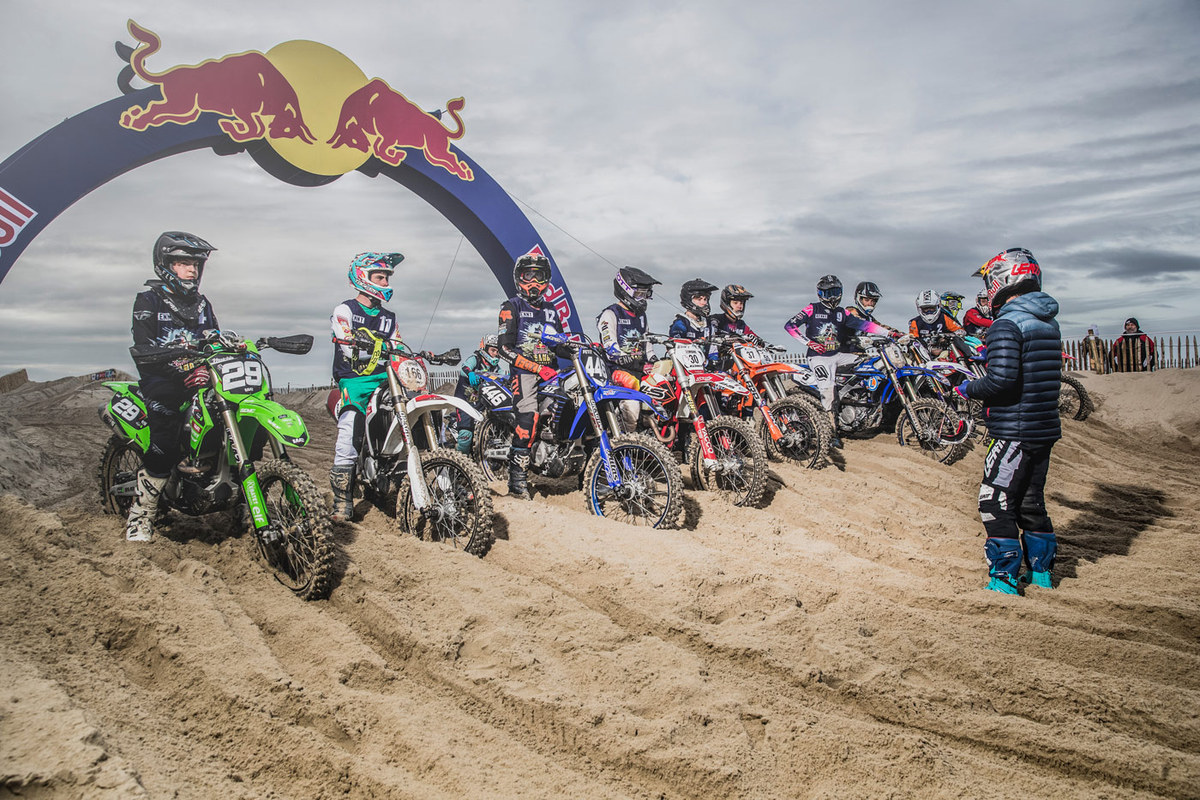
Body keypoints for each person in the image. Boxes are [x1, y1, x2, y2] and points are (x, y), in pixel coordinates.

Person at [953, 247, 1061, 595]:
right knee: (1031, 502)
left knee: (994, 500)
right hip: (1042, 425)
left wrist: (966, 387)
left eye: (989, 282)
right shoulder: (1047, 321)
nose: (987, 290)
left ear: (1003, 280)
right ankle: (1042, 575)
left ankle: (1004, 579)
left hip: (1014, 428)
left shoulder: (1007, 322)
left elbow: (1000, 380)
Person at [125, 231, 220, 542]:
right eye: (182, 263)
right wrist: (181, 369)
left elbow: (214, 340)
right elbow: (143, 349)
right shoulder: (148, 300)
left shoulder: (202, 304)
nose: (191, 270)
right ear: (165, 264)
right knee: (164, 443)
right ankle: (140, 517)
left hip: (199, 378)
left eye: (195, 264)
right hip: (161, 380)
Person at [329, 252, 407, 522]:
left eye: (387, 276)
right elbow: (345, 340)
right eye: (379, 276)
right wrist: (361, 343)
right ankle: (342, 500)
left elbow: (398, 347)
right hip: (355, 379)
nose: (385, 281)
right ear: (362, 277)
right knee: (350, 427)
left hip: (386, 378)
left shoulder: (390, 318)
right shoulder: (345, 310)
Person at [784, 275, 892, 447]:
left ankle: (858, 403)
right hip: (818, 357)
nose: (832, 297)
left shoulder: (842, 312)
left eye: (835, 292)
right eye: (827, 293)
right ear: (820, 293)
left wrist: (890, 334)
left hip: (838, 355)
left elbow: (864, 325)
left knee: (870, 363)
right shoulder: (812, 309)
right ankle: (831, 433)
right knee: (828, 392)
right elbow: (790, 325)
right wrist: (808, 342)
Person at [496, 253, 569, 499]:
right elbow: (504, 349)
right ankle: (516, 484)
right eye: (529, 276)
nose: (534, 282)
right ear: (520, 278)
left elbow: (558, 344)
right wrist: (537, 369)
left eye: (539, 276)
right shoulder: (511, 307)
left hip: (551, 374)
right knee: (528, 419)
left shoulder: (551, 310)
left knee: (570, 408)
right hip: (524, 374)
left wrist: (571, 346)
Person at [596, 266, 666, 430]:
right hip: (617, 370)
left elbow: (648, 347)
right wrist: (631, 361)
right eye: (638, 294)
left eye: (644, 294)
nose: (641, 299)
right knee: (633, 407)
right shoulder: (611, 314)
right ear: (624, 290)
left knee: (666, 392)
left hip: (639, 370)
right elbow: (611, 348)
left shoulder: (641, 316)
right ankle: (627, 439)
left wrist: (656, 363)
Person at [452, 334, 508, 454]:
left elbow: (504, 378)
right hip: (465, 403)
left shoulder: (497, 369)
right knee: (465, 436)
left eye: (498, 351)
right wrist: (470, 373)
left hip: (482, 405)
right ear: (484, 349)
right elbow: (465, 367)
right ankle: (457, 466)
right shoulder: (475, 359)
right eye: (493, 350)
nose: (495, 354)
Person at [909, 288, 964, 358]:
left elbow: (960, 330)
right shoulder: (915, 322)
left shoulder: (944, 318)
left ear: (938, 306)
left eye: (932, 308)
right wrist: (930, 349)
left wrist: (947, 337)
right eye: (925, 308)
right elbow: (913, 341)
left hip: (944, 352)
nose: (929, 311)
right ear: (920, 308)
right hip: (923, 354)